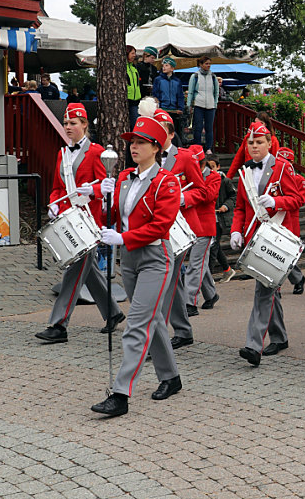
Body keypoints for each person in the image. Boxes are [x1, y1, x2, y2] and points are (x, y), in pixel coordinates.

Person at [91, 116, 182, 417]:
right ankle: (171, 377)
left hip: (155, 257)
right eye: (132, 141)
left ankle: (120, 394)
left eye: (141, 142)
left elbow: (160, 225)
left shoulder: (167, 181)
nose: (134, 147)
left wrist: (122, 237)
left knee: (137, 324)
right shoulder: (124, 178)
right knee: (151, 318)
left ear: (156, 148)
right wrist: (106, 199)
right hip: (129, 258)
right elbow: (113, 215)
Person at [35, 103, 125, 343]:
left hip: (87, 223)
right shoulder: (62, 153)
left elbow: (106, 186)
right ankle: (113, 313)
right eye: (65, 123)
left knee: (73, 273)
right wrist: (54, 203)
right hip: (67, 222)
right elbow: (58, 187)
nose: (68, 127)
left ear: (84, 125)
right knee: (89, 271)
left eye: (73, 123)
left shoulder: (97, 152)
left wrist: (93, 190)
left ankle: (58, 325)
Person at [230, 121, 304, 366]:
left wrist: (277, 202)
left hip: (277, 238)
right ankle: (279, 337)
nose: (254, 146)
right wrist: (236, 231)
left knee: (263, 291)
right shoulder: (244, 171)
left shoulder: (282, 167)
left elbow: (297, 198)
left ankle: (253, 345)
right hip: (255, 238)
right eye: (250, 143)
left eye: (259, 142)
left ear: (270, 143)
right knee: (270, 289)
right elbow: (240, 207)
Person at [151, 106, 207, 349]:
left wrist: (183, 198)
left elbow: (202, 190)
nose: (158, 134)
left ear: (172, 134)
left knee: (166, 279)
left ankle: (158, 338)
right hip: (157, 227)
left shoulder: (184, 157)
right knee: (172, 280)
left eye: (163, 130)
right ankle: (183, 331)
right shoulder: (148, 155)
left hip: (180, 228)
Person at [184, 145, 221, 317]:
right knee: (200, 263)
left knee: (196, 264)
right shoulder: (186, 175)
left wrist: (189, 193)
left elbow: (208, 196)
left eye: (198, 164)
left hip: (205, 226)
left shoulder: (214, 177)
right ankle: (211, 294)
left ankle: (189, 302)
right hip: (188, 224)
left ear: (204, 163)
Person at [276, 147, 305, 298]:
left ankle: (297, 278)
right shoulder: (272, 175)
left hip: (290, 220)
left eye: (287, 161)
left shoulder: (299, 179)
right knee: (276, 253)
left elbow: (299, 200)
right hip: (274, 218)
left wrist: (280, 201)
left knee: (286, 254)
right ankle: (278, 286)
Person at [226, 111, 281, 179]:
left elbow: (275, 160)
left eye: (261, 123)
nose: (257, 125)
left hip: (266, 175)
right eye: (255, 122)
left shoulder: (273, 140)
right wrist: (228, 177)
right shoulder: (248, 138)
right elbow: (238, 158)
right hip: (248, 173)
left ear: (266, 124)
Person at [207, 155, 236, 281]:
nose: (210, 170)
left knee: (213, 247)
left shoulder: (225, 181)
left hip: (218, 220)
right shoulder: (203, 180)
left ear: (218, 167)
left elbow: (233, 197)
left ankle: (208, 277)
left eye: (212, 167)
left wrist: (225, 206)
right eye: (207, 167)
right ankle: (227, 270)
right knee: (214, 246)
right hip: (207, 219)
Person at [187, 56, 219, 154]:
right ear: (200, 65)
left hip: (210, 105)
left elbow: (216, 92)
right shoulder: (195, 76)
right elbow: (191, 92)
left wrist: (215, 103)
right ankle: (198, 147)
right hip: (198, 104)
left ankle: (208, 148)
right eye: (206, 63)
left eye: (209, 64)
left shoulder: (213, 77)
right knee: (198, 127)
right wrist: (189, 104)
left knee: (209, 127)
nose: (208, 65)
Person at [153, 57, 185, 142]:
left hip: (174, 110)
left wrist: (180, 108)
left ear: (172, 68)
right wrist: (157, 106)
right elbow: (155, 94)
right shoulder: (158, 80)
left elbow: (180, 95)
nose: (164, 67)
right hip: (162, 109)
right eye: (163, 65)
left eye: (166, 65)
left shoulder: (177, 81)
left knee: (174, 132)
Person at [126, 45, 142, 131]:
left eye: (135, 53)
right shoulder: (122, 67)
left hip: (136, 100)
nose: (134, 55)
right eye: (132, 53)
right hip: (127, 99)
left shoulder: (134, 67)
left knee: (136, 123)